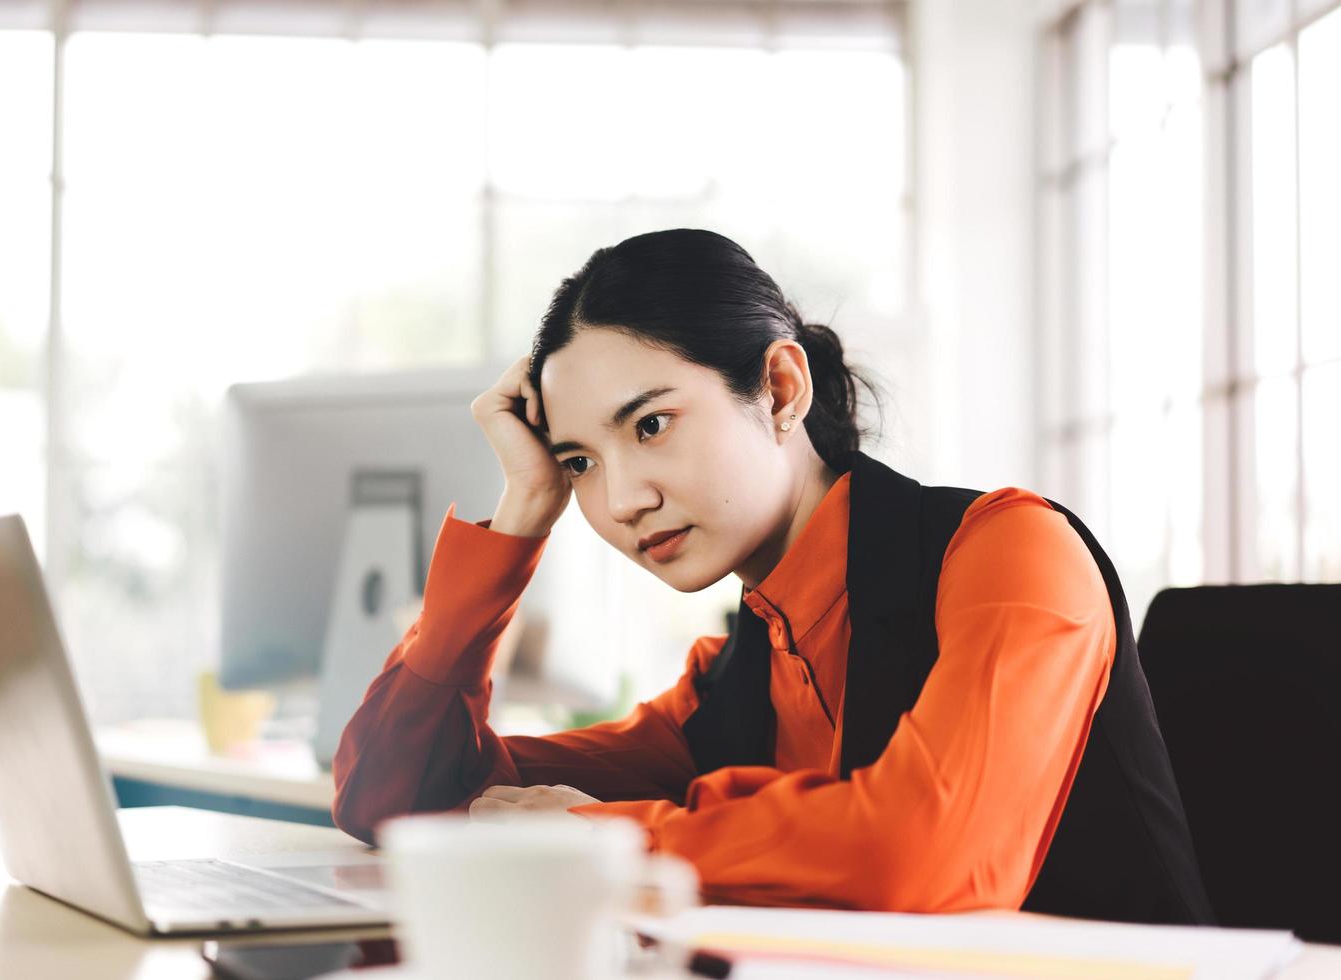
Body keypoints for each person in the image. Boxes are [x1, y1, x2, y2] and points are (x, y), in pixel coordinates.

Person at [331, 229, 1212, 923]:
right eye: (579, 462)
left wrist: (599, 836)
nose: (623, 498)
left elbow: (922, 855)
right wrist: (523, 510)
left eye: (649, 426)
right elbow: (398, 796)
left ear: (782, 390)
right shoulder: (733, 680)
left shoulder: (1010, 550)